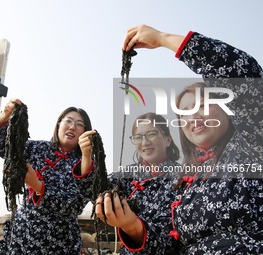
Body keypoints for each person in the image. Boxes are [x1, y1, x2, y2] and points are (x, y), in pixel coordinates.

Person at [96, 25, 263, 254]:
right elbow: (166, 243)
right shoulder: (184, 182)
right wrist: (131, 225)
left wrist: (164, 39)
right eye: (183, 112)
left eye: (201, 105)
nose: (192, 115)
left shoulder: (252, 144)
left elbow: (244, 77)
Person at [0, 98, 96, 255]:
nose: (72, 127)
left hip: (60, 244)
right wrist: (4, 118)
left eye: (79, 124)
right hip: (21, 237)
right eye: (68, 121)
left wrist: (38, 186)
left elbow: (74, 205)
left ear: (85, 133)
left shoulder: (85, 164)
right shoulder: (36, 148)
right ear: (58, 124)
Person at [95, 112, 181, 254]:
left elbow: (172, 238)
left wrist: (131, 226)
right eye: (138, 137)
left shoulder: (183, 177)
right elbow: (94, 188)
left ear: (168, 139)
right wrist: (89, 155)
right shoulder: (127, 173)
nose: (145, 142)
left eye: (152, 134)